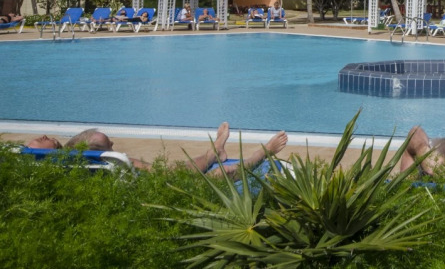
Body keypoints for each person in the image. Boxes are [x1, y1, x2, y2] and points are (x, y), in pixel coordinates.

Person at [62, 123, 288, 178]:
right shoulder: (115, 162)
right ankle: (262, 153)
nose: (114, 147)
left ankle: (215, 153)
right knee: (223, 173)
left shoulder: (75, 168)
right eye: (109, 146)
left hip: (162, 179)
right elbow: (170, 175)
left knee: (175, 169)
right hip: (166, 187)